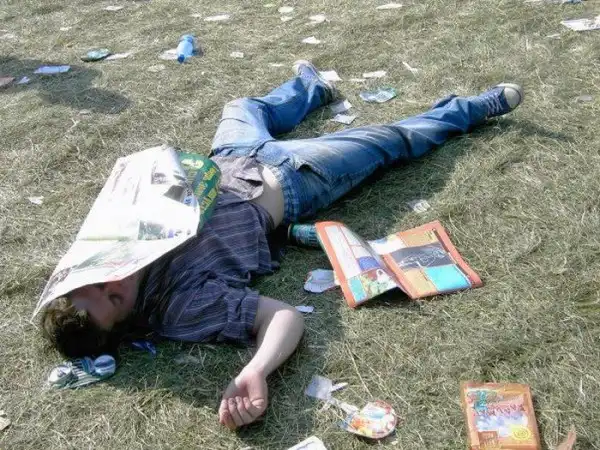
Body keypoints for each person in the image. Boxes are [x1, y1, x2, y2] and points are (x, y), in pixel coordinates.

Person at [40, 60, 523, 430]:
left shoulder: (105, 245)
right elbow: (282, 317)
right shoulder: (178, 307)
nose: (115, 281)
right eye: (115, 299)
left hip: (228, 159)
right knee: (391, 140)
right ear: (125, 321)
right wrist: (257, 370)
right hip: (290, 178)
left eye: (97, 284)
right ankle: (473, 109)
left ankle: (312, 87)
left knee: (242, 108)